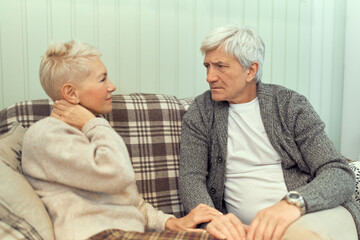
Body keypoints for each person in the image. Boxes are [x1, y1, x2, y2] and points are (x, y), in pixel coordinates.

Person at [21, 40, 221, 240]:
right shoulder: (45, 135)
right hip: (96, 235)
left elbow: (125, 197)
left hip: (126, 234)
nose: (112, 86)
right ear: (71, 93)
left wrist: (169, 222)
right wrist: (93, 122)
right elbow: (118, 174)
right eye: (102, 79)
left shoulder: (91, 133)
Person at [178, 24, 360, 240]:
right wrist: (212, 218)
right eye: (207, 66)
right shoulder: (201, 111)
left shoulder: (290, 105)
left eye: (220, 66)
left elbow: (338, 171)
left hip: (310, 213)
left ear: (251, 70)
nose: (210, 77)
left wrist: (294, 203)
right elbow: (191, 177)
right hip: (249, 230)